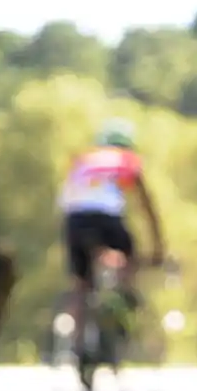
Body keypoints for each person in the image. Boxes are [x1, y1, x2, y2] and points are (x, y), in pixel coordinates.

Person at [57, 118, 165, 357]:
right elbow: (146, 206)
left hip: (73, 219)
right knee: (129, 258)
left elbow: (66, 197)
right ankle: (122, 299)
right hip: (105, 217)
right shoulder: (126, 160)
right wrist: (158, 247)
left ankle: (75, 341)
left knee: (81, 283)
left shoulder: (83, 159)